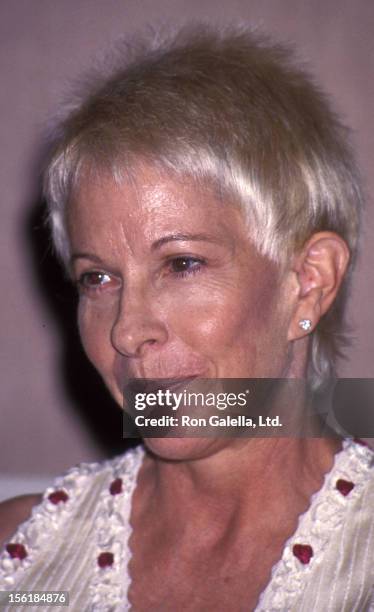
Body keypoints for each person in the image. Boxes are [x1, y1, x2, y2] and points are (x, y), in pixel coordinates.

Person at [0, 24, 373, 611]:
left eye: (182, 264)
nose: (126, 330)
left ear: (308, 282)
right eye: (98, 278)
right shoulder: (20, 562)